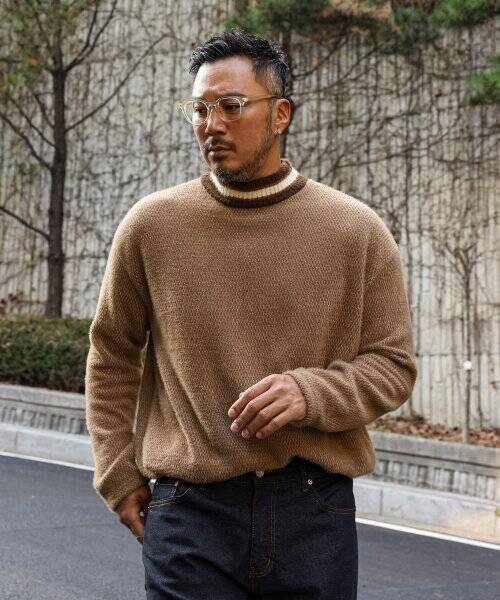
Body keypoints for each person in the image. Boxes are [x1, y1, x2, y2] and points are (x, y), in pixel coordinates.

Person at [85, 29, 418, 600]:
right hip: (189, 509)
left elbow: (393, 367)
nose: (211, 125)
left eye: (231, 106)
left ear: (280, 113)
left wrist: (310, 392)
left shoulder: (355, 231)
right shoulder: (152, 226)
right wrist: (117, 473)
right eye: (199, 109)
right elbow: (112, 354)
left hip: (314, 512)